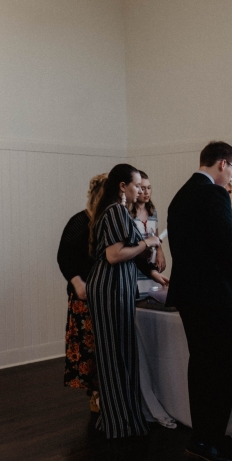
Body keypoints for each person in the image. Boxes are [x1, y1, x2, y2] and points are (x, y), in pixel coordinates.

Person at [166, 141, 232, 461]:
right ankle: (212, 438)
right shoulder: (214, 194)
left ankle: (201, 437)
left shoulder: (180, 196)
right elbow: (224, 243)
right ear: (223, 163)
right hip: (214, 296)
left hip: (188, 295)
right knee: (227, 362)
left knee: (202, 363)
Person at [86, 164, 168, 439]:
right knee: (115, 352)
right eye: (135, 185)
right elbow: (114, 255)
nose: (139, 190)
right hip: (110, 285)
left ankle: (120, 418)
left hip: (116, 285)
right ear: (122, 186)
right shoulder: (116, 211)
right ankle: (120, 422)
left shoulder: (112, 210)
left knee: (118, 351)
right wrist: (149, 243)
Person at [56, 173, 106, 414]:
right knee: (90, 348)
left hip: (105, 293)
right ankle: (95, 393)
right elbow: (63, 257)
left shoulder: (111, 220)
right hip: (85, 294)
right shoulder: (79, 221)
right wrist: (77, 282)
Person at [130, 170, 166, 282]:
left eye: (149, 188)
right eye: (142, 188)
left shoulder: (152, 212)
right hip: (134, 265)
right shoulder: (128, 213)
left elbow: (156, 237)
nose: (146, 192)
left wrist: (160, 252)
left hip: (151, 262)